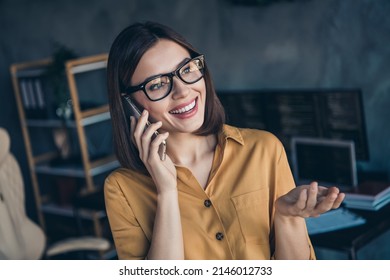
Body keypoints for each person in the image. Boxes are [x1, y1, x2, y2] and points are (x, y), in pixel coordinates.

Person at [104, 21, 345, 260]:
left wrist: (287, 216)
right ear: (129, 104)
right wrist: (167, 192)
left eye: (187, 70)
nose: (182, 91)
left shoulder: (264, 149)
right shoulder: (121, 189)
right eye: (157, 84)